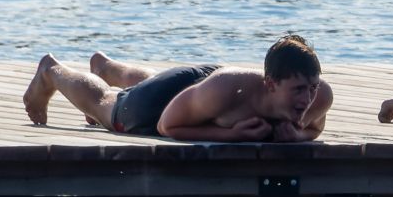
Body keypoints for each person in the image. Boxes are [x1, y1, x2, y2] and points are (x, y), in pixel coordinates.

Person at [23, 35, 332, 142]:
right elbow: (166, 125)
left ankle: (106, 67)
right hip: (205, 92)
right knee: (113, 106)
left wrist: (300, 136)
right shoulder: (225, 92)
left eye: (312, 88)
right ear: (271, 84)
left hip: (204, 94)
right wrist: (231, 135)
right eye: (298, 90)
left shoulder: (320, 97)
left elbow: (315, 127)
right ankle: (51, 71)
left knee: (156, 81)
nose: (307, 99)